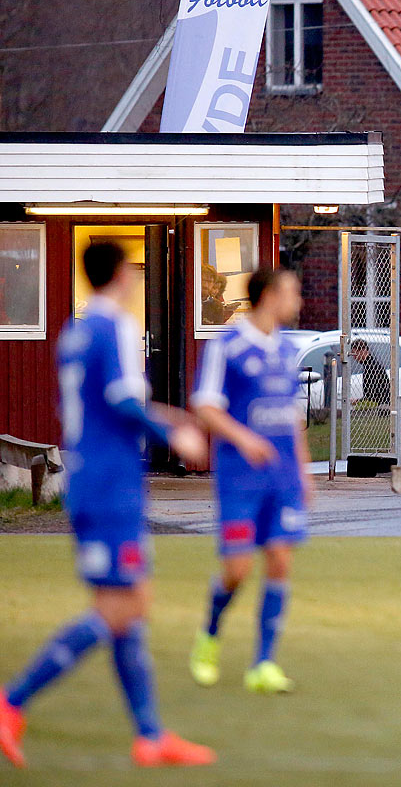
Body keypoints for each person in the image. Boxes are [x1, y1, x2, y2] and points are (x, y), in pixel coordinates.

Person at [0, 242, 215, 769]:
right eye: (134, 272)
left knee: (129, 608)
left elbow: (107, 403)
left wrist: (172, 417)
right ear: (121, 273)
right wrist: (175, 436)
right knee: (121, 608)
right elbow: (122, 404)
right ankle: (11, 703)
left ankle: (149, 735)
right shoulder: (115, 326)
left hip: (92, 479)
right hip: (109, 485)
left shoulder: (76, 332)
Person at [188, 267, 315, 695]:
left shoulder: (285, 348)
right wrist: (244, 438)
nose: (298, 298)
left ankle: (263, 663)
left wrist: (303, 470)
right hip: (241, 478)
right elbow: (205, 406)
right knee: (238, 570)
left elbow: (292, 416)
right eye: (293, 291)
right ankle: (209, 635)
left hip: (281, 478)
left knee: (280, 561)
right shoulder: (227, 345)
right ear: (271, 295)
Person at [349, 337, 390, 407]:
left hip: (381, 405)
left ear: (362, 350)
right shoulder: (371, 365)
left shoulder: (371, 368)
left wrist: (357, 401)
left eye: (354, 353)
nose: (354, 357)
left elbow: (371, 396)